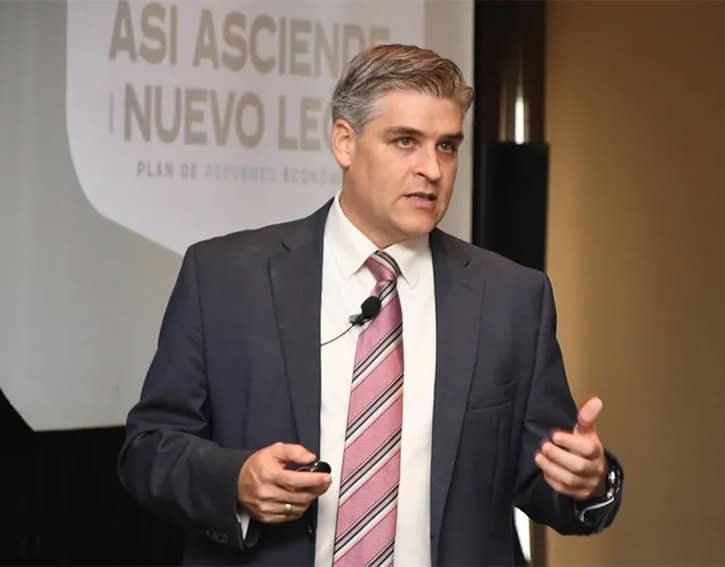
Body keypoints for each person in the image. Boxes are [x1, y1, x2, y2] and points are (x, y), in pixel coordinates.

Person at [118, 44, 623, 566]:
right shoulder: (224, 277)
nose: (432, 169)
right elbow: (149, 449)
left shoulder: (512, 297)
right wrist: (236, 482)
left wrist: (590, 481)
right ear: (345, 141)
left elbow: (547, 477)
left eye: (447, 146)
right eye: (406, 141)